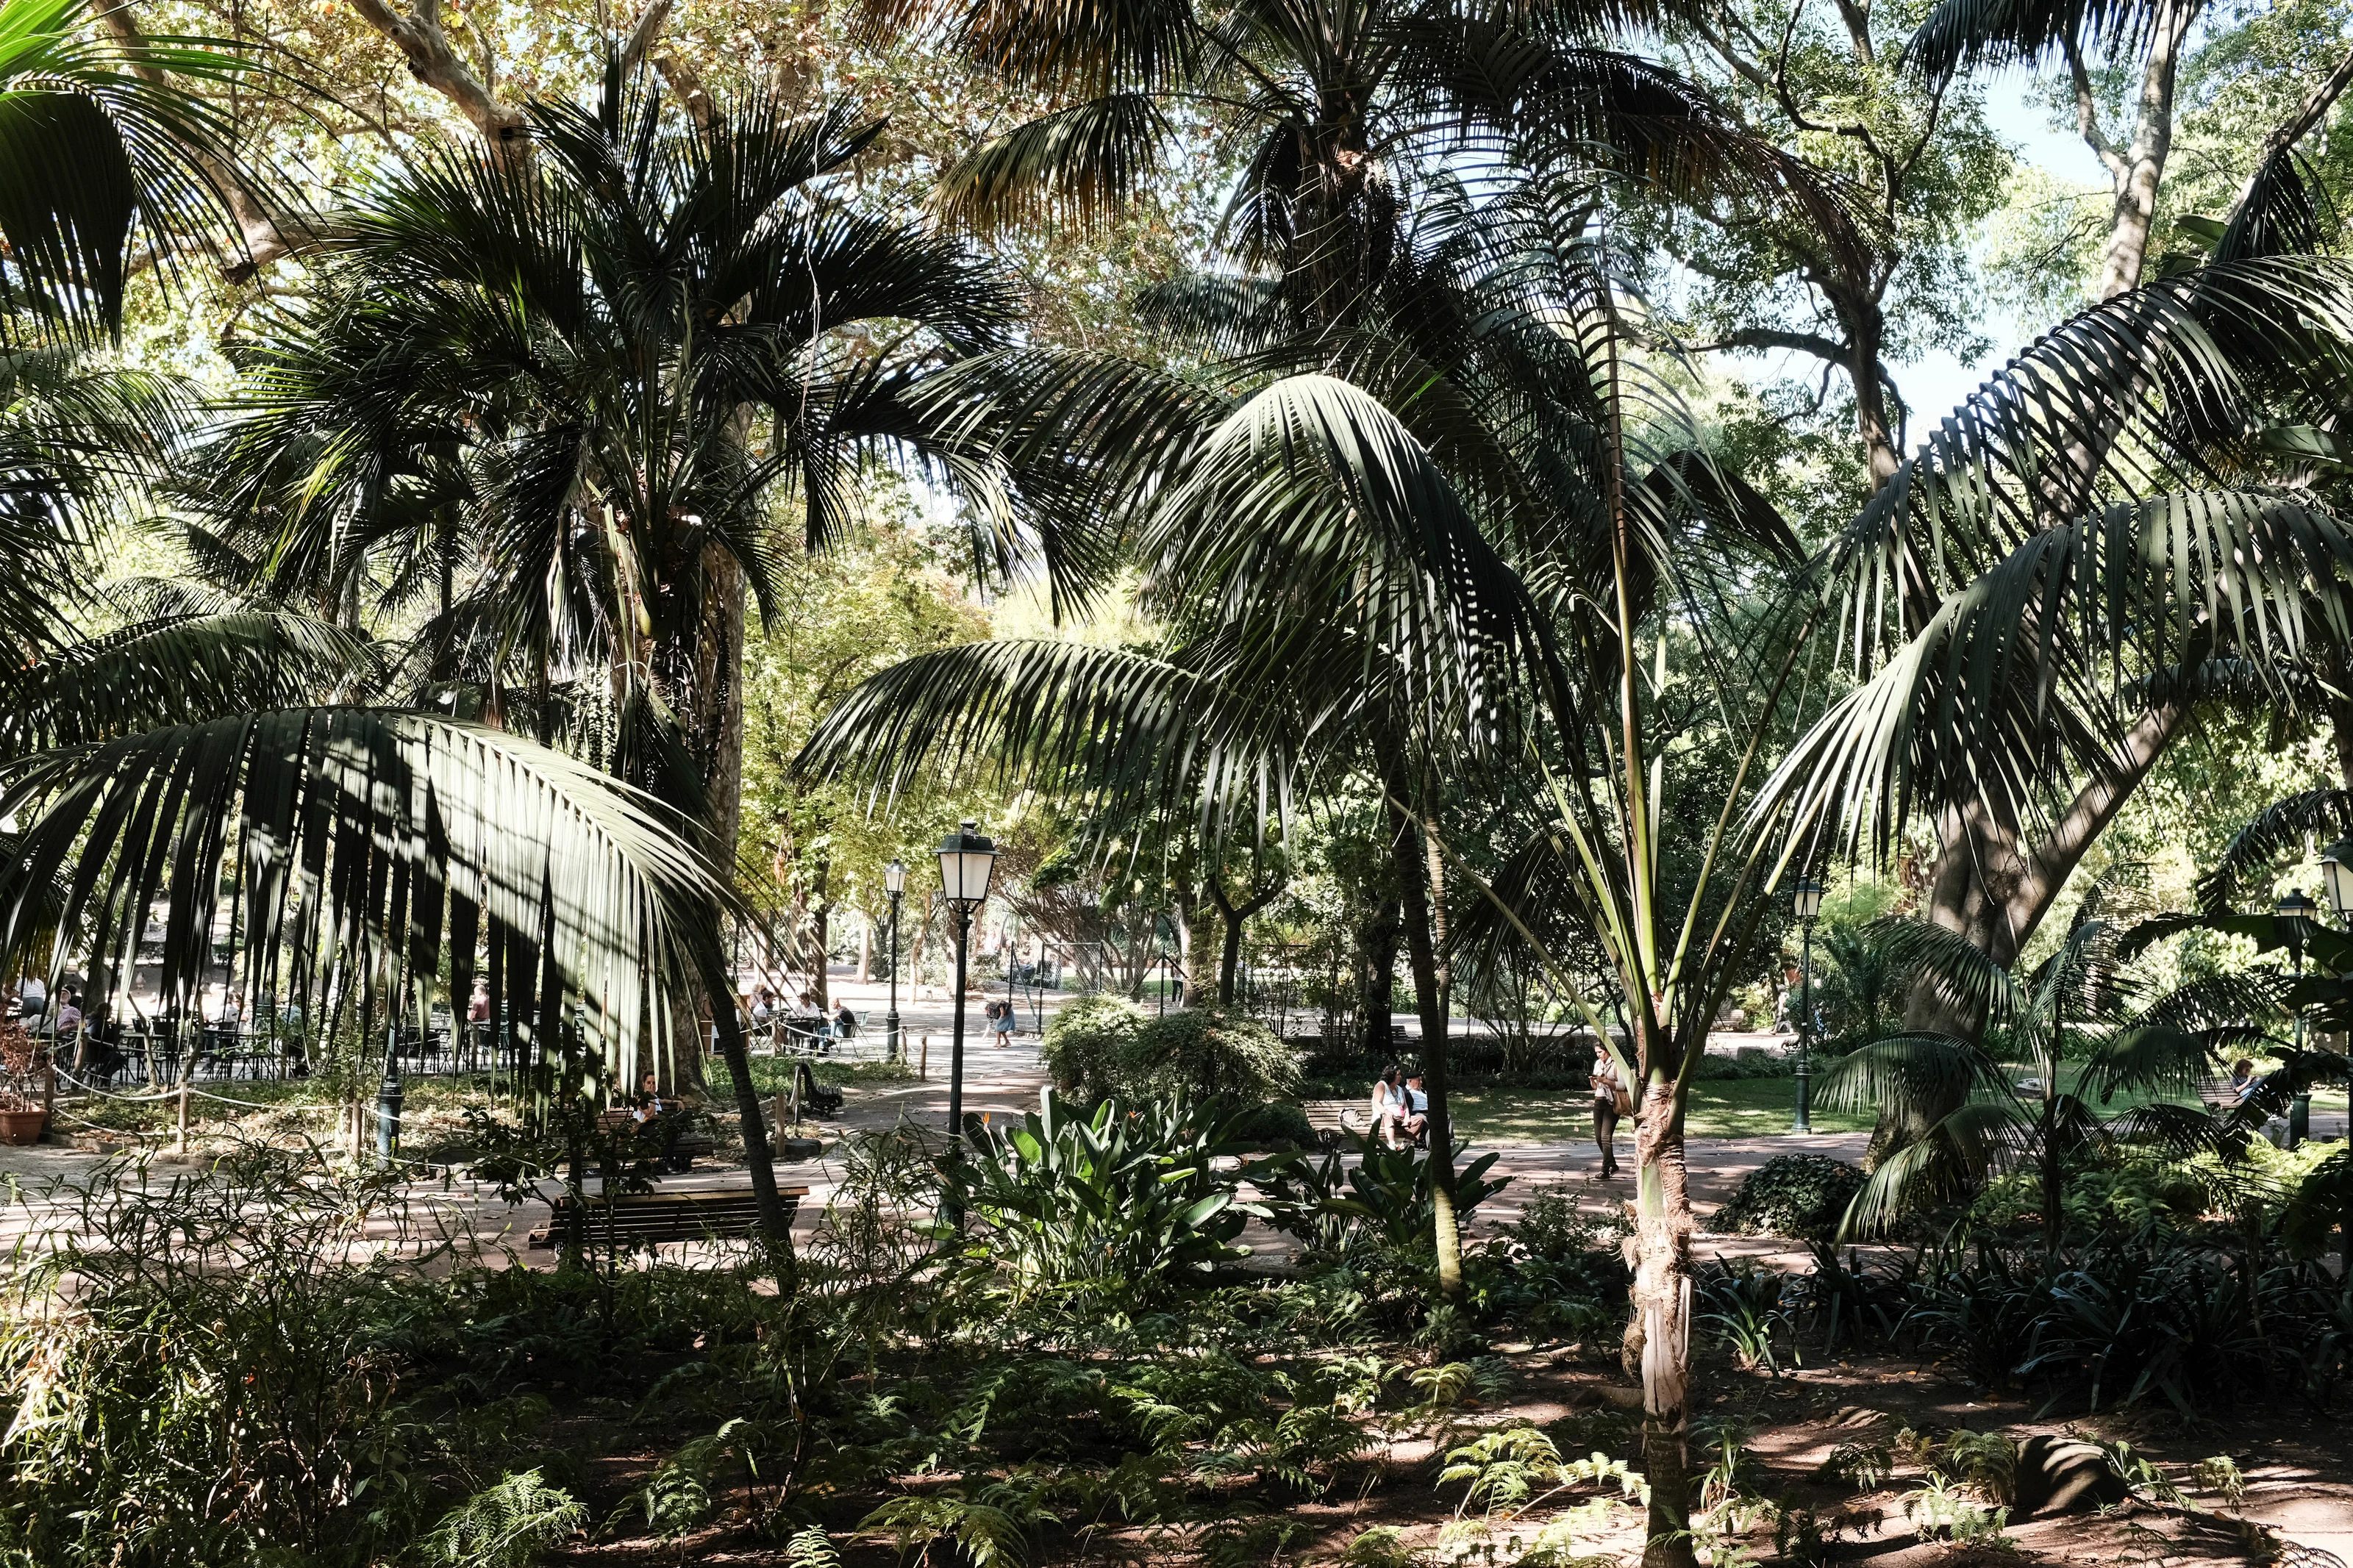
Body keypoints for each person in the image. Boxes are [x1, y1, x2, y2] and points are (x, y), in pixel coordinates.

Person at [1590, 1041, 1628, 1178]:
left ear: (1607, 1050)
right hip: (1598, 1101)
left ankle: (1605, 1170)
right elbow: (1596, 1087)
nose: (1598, 1055)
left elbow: (1623, 1085)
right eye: (1596, 1053)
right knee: (1598, 1138)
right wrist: (1594, 1081)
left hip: (1611, 1103)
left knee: (1606, 1137)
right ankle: (1613, 1164)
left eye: (1600, 1052)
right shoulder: (1598, 1064)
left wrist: (1605, 1081)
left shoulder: (1617, 1064)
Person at [1368, 1066, 1404, 1148]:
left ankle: (1406, 1143)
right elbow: (1376, 1102)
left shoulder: (1399, 1089)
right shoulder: (1381, 1085)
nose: (1401, 1077)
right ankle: (1392, 1144)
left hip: (1400, 1118)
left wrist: (1407, 1117)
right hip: (1384, 1118)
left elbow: (1405, 1106)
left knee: (1418, 1120)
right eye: (1398, 1075)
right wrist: (1386, 1111)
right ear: (1391, 1075)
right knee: (1389, 1118)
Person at [1398, 1070, 1429, 1146]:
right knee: (1424, 1118)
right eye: (1419, 1080)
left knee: (1446, 1117)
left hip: (1428, 1111)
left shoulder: (1424, 1091)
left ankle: (1450, 1143)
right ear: (1410, 1081)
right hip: (1416, 1112)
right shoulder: (1404, 1091)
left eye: (1421, 1080)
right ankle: (1427, 1145)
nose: (1421, 1082)